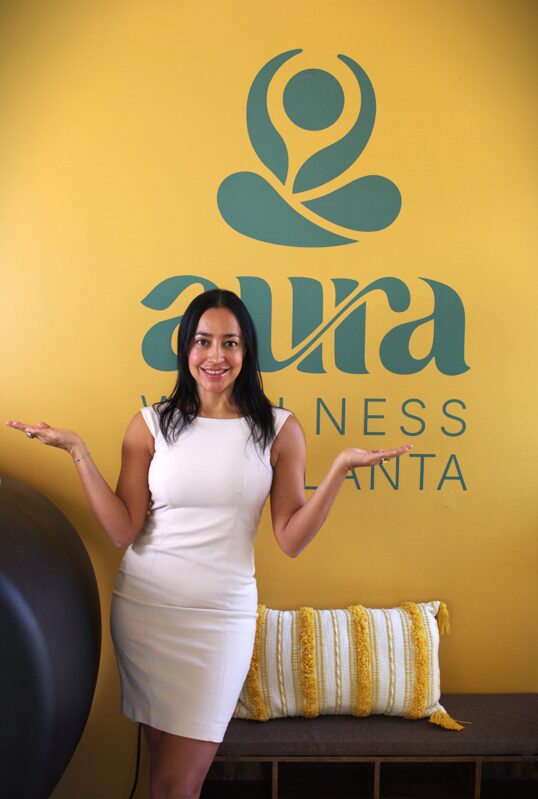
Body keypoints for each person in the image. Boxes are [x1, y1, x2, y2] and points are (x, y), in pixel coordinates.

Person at [6, 288, 412, 799]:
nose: (215, 356)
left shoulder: (278, 430)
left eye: (230, 342)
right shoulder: (150, 424)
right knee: (165, 782)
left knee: (177, 785)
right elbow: (122, 529)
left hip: (221, 620)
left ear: (247, 351)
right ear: (186, 348)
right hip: (148, 611)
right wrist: (77, 451)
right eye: (203, 341)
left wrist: (339, 471)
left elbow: (289, 539)